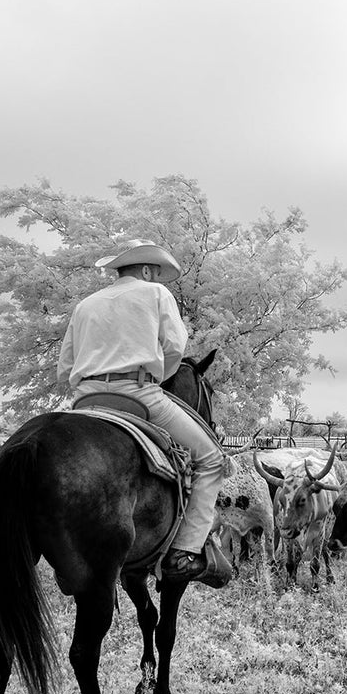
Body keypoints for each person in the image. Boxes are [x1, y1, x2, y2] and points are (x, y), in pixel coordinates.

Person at [57, 237, 231, 586]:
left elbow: (65, 368)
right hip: (137, 392)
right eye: (157, 272)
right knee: (212, 459)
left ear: (118, 270)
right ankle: (186, 551)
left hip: (84, 398)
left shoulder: (85, 305)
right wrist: (156, 377)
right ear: (148, 268)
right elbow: (175, 347)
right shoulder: (156, 294)